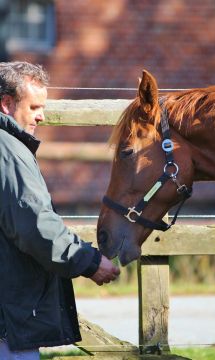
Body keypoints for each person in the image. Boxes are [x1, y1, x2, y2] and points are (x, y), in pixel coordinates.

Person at [0, 61, 120, 359]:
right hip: (8, 321)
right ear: (6, 103)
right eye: (34, 107)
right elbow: (35, 226)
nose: (41, 116)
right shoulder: (9, 153)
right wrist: (89, 261)